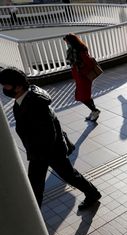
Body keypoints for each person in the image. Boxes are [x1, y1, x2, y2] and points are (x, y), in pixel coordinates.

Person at [0, 67, 102, 210]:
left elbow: (48, 133)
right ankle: (93, 193)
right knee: (66, 176)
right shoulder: (24, 98)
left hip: (47, 151)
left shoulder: (34, 104)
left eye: (6, 85)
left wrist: (39, 156)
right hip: (43, 150)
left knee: (41, 184)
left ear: (18, 86)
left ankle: (34, 219)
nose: (4, 89)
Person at [64, 33, 101, 121]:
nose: (66, 43)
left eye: (67, 41)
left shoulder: (80, 49)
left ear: (71, 41)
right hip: (78, 75)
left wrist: (79, 65)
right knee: (84, 95)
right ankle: (94, 111)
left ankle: (95, 110)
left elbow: (87, 62)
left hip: (83, 76)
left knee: (82, 96)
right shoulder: (72, 49)